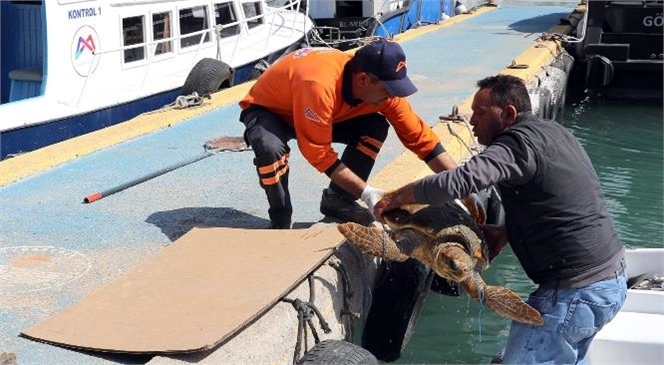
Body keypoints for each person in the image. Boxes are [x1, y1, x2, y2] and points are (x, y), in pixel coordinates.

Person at [373, 74, 627, 364]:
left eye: (480, 114)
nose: (472, 122)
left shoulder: (515, 145)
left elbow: (461, 181)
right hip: (609, 281)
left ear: (508, 114)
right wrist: (507, 231)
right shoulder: (553, 132)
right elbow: (561, 201)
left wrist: (396, 198)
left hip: (572, 294)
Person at [238, 38, 457, 229]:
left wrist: (463, 186)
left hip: (318, 111)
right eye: (388, 90)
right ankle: (280, 219)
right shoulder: (319, 85)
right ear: (363, 80)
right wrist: (367, 192)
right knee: (270, 148)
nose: (392, 96)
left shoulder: (381, 89)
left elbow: (421, 140)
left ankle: (338, 199)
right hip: (270, 111)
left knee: (374, 126)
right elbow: (318, 152)